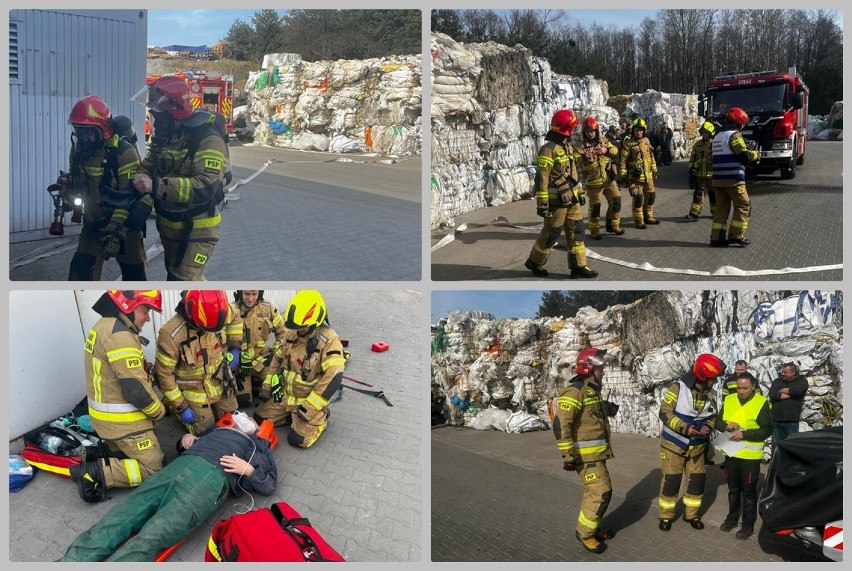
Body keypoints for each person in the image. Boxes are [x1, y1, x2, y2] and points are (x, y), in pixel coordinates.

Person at [58, 412, 277, 561]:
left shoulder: (258, 447)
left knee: (153, 535)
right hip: (180, 465)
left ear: (259, 429)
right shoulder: (216, 430)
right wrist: (185, 441)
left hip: (210, 479)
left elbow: (269, 484)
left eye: (251, 420)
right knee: (121, 516)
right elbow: (181, 447)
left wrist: (248, 470)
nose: (246, 419)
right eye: (243, 416)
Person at [69, 291, 166, 502]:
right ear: (128, 305)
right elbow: (135, 391)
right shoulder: (121, 337)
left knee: (130, 449)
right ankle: (95, 473)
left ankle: (103, 451)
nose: (148, 318)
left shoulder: (104, 325)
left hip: (105, 418)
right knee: (155, 467)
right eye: (146, 310)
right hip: (124, 423)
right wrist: (159, 412)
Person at [131, 75, 230, 280]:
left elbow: (206, 186)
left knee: (181, 280)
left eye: (158, 114)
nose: (154, 119)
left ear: (173, 110)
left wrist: (156, 186)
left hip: (198, 231)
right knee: (181, 277)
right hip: (170, 229)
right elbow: (147, 166)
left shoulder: (208, 139)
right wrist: (141, 179)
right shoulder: (166, 138)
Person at [56, 96, 147, 280]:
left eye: (88, 132)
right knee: (79, 275)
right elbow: (79, 184)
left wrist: (115, 232)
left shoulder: (124, 152)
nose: (83, 138)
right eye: (79, 131)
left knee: (134, 277)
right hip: (94, 222)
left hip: (125, 226)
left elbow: (128, 199)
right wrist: (68, 188)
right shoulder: (78, 151)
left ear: (103, 130)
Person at [255, 290, 346, 448]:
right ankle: (291, 416)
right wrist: (268, 387)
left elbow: (334, 377)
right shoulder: (292, 334)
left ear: (315, 321)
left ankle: (320, 419)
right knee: (258, 418)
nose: (299, 330)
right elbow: (276, 358)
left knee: (297, 440)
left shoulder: (329, 341)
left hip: (308, 401)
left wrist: (309, 408)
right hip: (287, 397)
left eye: (303, 327)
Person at [553, 348, 617, 554]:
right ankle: (585, 534)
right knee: (601, 492)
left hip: (596, 455)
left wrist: (607, 408)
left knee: (594, 492)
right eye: (601, 368)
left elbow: (589, 414)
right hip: (584, 457)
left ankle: (591, 527)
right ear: (589, 368)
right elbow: (561, 425)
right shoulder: (575, 391)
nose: (604, 372)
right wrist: (568, 457)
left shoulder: (591, 391)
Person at [154, 290, 243, 434]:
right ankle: (173, 408)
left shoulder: (219, 309)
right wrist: (181, 407)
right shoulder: (170, 335)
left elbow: (236, 318)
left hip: (221, 383)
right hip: (194, 393)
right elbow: (164, 376)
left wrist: (235, 347)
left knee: (235, 422)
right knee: (206, 433)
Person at [524, 110, 598, 279]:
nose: (572, 131)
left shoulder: (567, 146)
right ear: (566, 129)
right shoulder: (548, 150)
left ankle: (579, 266)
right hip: (556, 203)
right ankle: (535, 262)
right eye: (571, 128)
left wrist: (584, 159)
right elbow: (542, 178)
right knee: (551, 234)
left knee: (577, 232)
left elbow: (571, 170)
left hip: (572, 200)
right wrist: (542, 203)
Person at [657, 353, 724, 532]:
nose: (715, 382)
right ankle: (666, 516)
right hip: (674, 445)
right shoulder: (678, 388)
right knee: (671, 480)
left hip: (697, 446)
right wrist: (684, 427)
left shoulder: (712, 393)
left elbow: (712, 416)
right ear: (703, 376)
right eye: (713, 378)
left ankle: (692, 515)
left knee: (697, 481)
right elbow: (664, 413)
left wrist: (708, 427)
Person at [715, 372, 771, 540]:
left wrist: (744, 435)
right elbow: (717, 421)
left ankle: (747, 526)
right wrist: (726, 425)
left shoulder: (761, 403)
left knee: (748, 492)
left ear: (753, 386)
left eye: (745, 388)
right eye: (739, 388)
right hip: (731, 454)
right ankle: (731, 519)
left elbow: (767, 429)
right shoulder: (730, 399)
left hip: (749, 457)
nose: (741, 391)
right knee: (733, 490)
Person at [709, 107, 759, 247]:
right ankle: (736, 236)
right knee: (744, 205)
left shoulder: (717, 137)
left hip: (718, 181)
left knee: (721, 209)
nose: (742, 127)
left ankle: (717, 238)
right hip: (734, 180)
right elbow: (743, 156)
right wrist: (755, 154)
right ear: (739, 122)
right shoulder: (734, 136)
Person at [232, 290, 288, 408]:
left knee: (277, 387)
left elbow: (283, 334)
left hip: (263, 360)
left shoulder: (268, 308)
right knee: (243, 401)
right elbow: (222, 339)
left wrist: (274, 355)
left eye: (254, 294)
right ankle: (252, 383)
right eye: (247, 294)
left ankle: (257, 383)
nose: (251, 298)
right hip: (242, 365)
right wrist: (233, 364)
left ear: (259, 294)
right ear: (240, 293)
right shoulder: (231, 310)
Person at [577, 117, 624, 239]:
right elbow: (574, 161)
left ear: (596, 130)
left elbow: (615, 151)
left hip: (609, 179)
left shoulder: (604, 140)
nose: (590, 133)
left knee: (616, 202)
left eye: (592, 131)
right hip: (594, 183)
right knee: (595, 209)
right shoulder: (581, 146)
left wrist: (606, 150)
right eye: (587, 132)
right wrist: (583, 157)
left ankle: (614, 226)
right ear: (584, 133)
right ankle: (595, 230)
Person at [619, 118, 659, 229]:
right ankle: (639, 220)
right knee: (638, 198)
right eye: (637, 130)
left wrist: (655, 170)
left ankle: (648, 217)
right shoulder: (628, 143)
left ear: (644, 131)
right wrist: (623, 175)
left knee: (651, 196)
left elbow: (651, 157)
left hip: (648, 176)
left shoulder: (646, 141)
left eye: (641, 130)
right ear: (633, 131)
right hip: (635, 177)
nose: (639, 132)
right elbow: (623, 160)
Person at [767, 362, 808, 447]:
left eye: (785, 372)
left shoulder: (801, 380)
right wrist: (792, 394)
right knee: (777, 445)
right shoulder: (777, 381)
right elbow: (772, 394)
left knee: (792, 445)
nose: (783, 374)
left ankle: (791, 461)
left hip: (792, 421)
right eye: (782, 371)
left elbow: (799, 390)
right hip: (776, 420)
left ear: (793, 373)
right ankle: (777, 460)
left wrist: (784, 390)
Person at [685, 122, 717, 221]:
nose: (704, 134)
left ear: (711, 133)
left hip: (712, 177)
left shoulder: (715, 144)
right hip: (700, 177)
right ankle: (694, 214)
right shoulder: (697, 144)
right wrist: (691, 169)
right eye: (703, 132)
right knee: (697, 196)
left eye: (706, 132)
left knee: (714, 196)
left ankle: (716, 213)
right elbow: (692, 159)